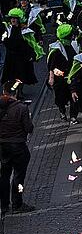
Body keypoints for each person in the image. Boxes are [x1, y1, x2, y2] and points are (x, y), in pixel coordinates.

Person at [0, 80, 34, 215]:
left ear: (4, 92)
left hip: (2, 146)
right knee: (19, 177)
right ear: (16, 93)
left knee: (4, 176)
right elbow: (29, 128)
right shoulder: (21, 108)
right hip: (18, 146)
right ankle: (17, 203)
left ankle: (4, 205)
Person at [48, 23, 80, 123]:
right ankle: (62, 112)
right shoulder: (56, 50)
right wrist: (54, 76)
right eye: (70, 37)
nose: (71, 39)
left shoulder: (73, 46)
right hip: (60, 79)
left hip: (72, 77)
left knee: (74, 97)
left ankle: (73, 116)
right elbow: (52, 66)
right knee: (60, 98)